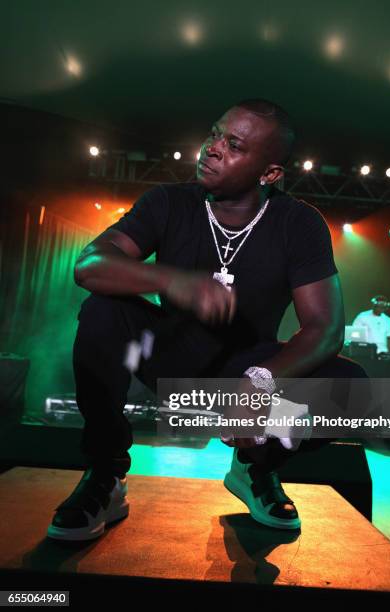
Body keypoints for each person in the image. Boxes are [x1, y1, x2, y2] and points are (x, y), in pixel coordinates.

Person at [47, 98, 368, 542]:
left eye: (233, 144)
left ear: (269, 172)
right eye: (215, 134)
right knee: (103, 308)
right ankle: (106, 475)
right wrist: (174, 280)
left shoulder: (298, 223)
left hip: (244, 367)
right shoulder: (168, 202)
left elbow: (325, 327)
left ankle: (255, 468)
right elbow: (89, 265)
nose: (212, 148)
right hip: (167, 352)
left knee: (355, 392)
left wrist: (261, 380)